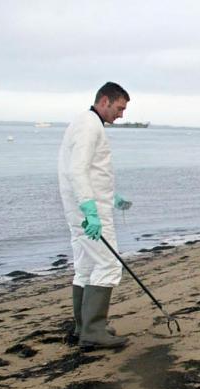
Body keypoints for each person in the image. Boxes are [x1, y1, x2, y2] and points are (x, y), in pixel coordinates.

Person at [57, 82, 135, 348]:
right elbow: (76, 171)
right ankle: (93, 331)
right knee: (108, 265)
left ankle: (83, 327)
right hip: (89, 212)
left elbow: (90, 171)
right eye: (119, 108)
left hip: (86, 207)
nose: (122, 115)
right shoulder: (89, 125)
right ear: (105, 101)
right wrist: (91, 211)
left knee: (87, 267)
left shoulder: (85, 123)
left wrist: (112, 198)